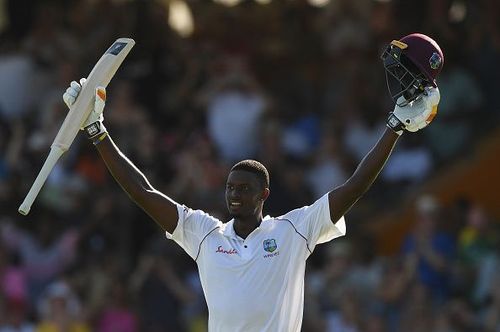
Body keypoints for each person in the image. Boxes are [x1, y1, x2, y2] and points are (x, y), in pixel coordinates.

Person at [62, 33, 443, 332]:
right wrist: (97, 131)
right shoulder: (204, 233)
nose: (233, 194)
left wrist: (393, 129)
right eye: (230, 187)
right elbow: (143, 192)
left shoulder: (295, 229)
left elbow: (355, 186)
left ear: (264, 194)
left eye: (243, 188)